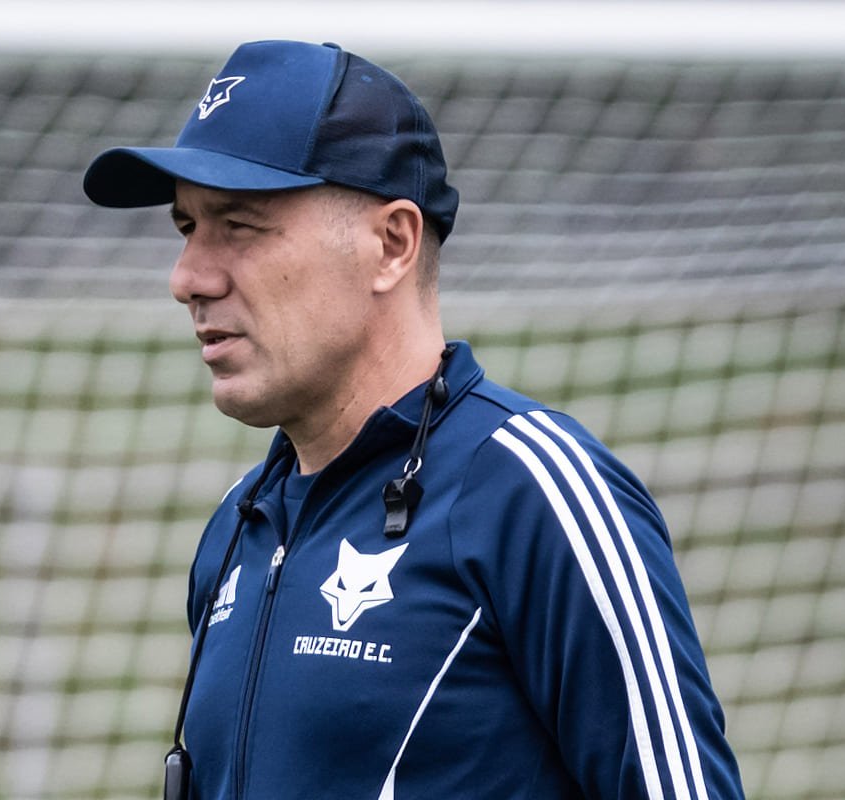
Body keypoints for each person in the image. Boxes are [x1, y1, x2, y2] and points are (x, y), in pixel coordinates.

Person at [84, 39, 745, 800]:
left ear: (392, 245)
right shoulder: (238, 525)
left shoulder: (533, 494)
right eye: (185, 228)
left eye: (238, 225)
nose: (187, 277)